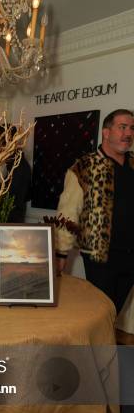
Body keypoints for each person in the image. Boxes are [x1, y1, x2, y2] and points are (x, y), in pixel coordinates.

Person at [55, 109, 134, 314]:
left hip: (131, 257)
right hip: (100, 259)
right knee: (100, 312)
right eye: (122, 127)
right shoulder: (84, 167)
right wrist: (60, 252)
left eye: (132, 128)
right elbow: (68, 211)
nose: (128, 133)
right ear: (106, 132)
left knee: (114, 311)